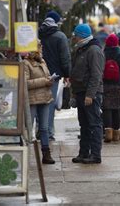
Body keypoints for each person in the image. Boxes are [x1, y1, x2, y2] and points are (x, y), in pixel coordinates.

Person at [70, 24, 105, 164]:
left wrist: (90, 95)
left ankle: (95, 155)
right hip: (80, 92)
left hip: (90, 93)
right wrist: (74, 93)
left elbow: (96, 75)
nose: (74, 38)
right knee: (84, 124)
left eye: (76, 35)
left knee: (94, 124)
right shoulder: (81, 49)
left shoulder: (94, 50)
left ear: (82, 35)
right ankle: (83, 153)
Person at [39, 10, 71, 141]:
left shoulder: (38, 34)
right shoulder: (60, 37)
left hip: (37, 74)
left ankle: (38, 130)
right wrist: (67, 74)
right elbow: (65, 58)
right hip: (53, 76)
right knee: (50, 104)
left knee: (38, 101)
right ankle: (48, 131)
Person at [23, 42, 55, 164]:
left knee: (44, 128)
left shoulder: (42, 61)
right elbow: (25, 83)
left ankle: (46, 154)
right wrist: (44, 81)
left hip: (45, 98)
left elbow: (46, 76)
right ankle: (25, 153)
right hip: (32, 99)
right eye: (40, 46)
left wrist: (50, 80)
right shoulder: (26, 63)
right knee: (29, 128)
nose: (42, 48)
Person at [102, 33, 120, 142]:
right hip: (118, 85)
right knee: (116, 109)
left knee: (107, 108)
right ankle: (116, 134)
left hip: (105, 84)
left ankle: (108, 134)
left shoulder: (103, 53)